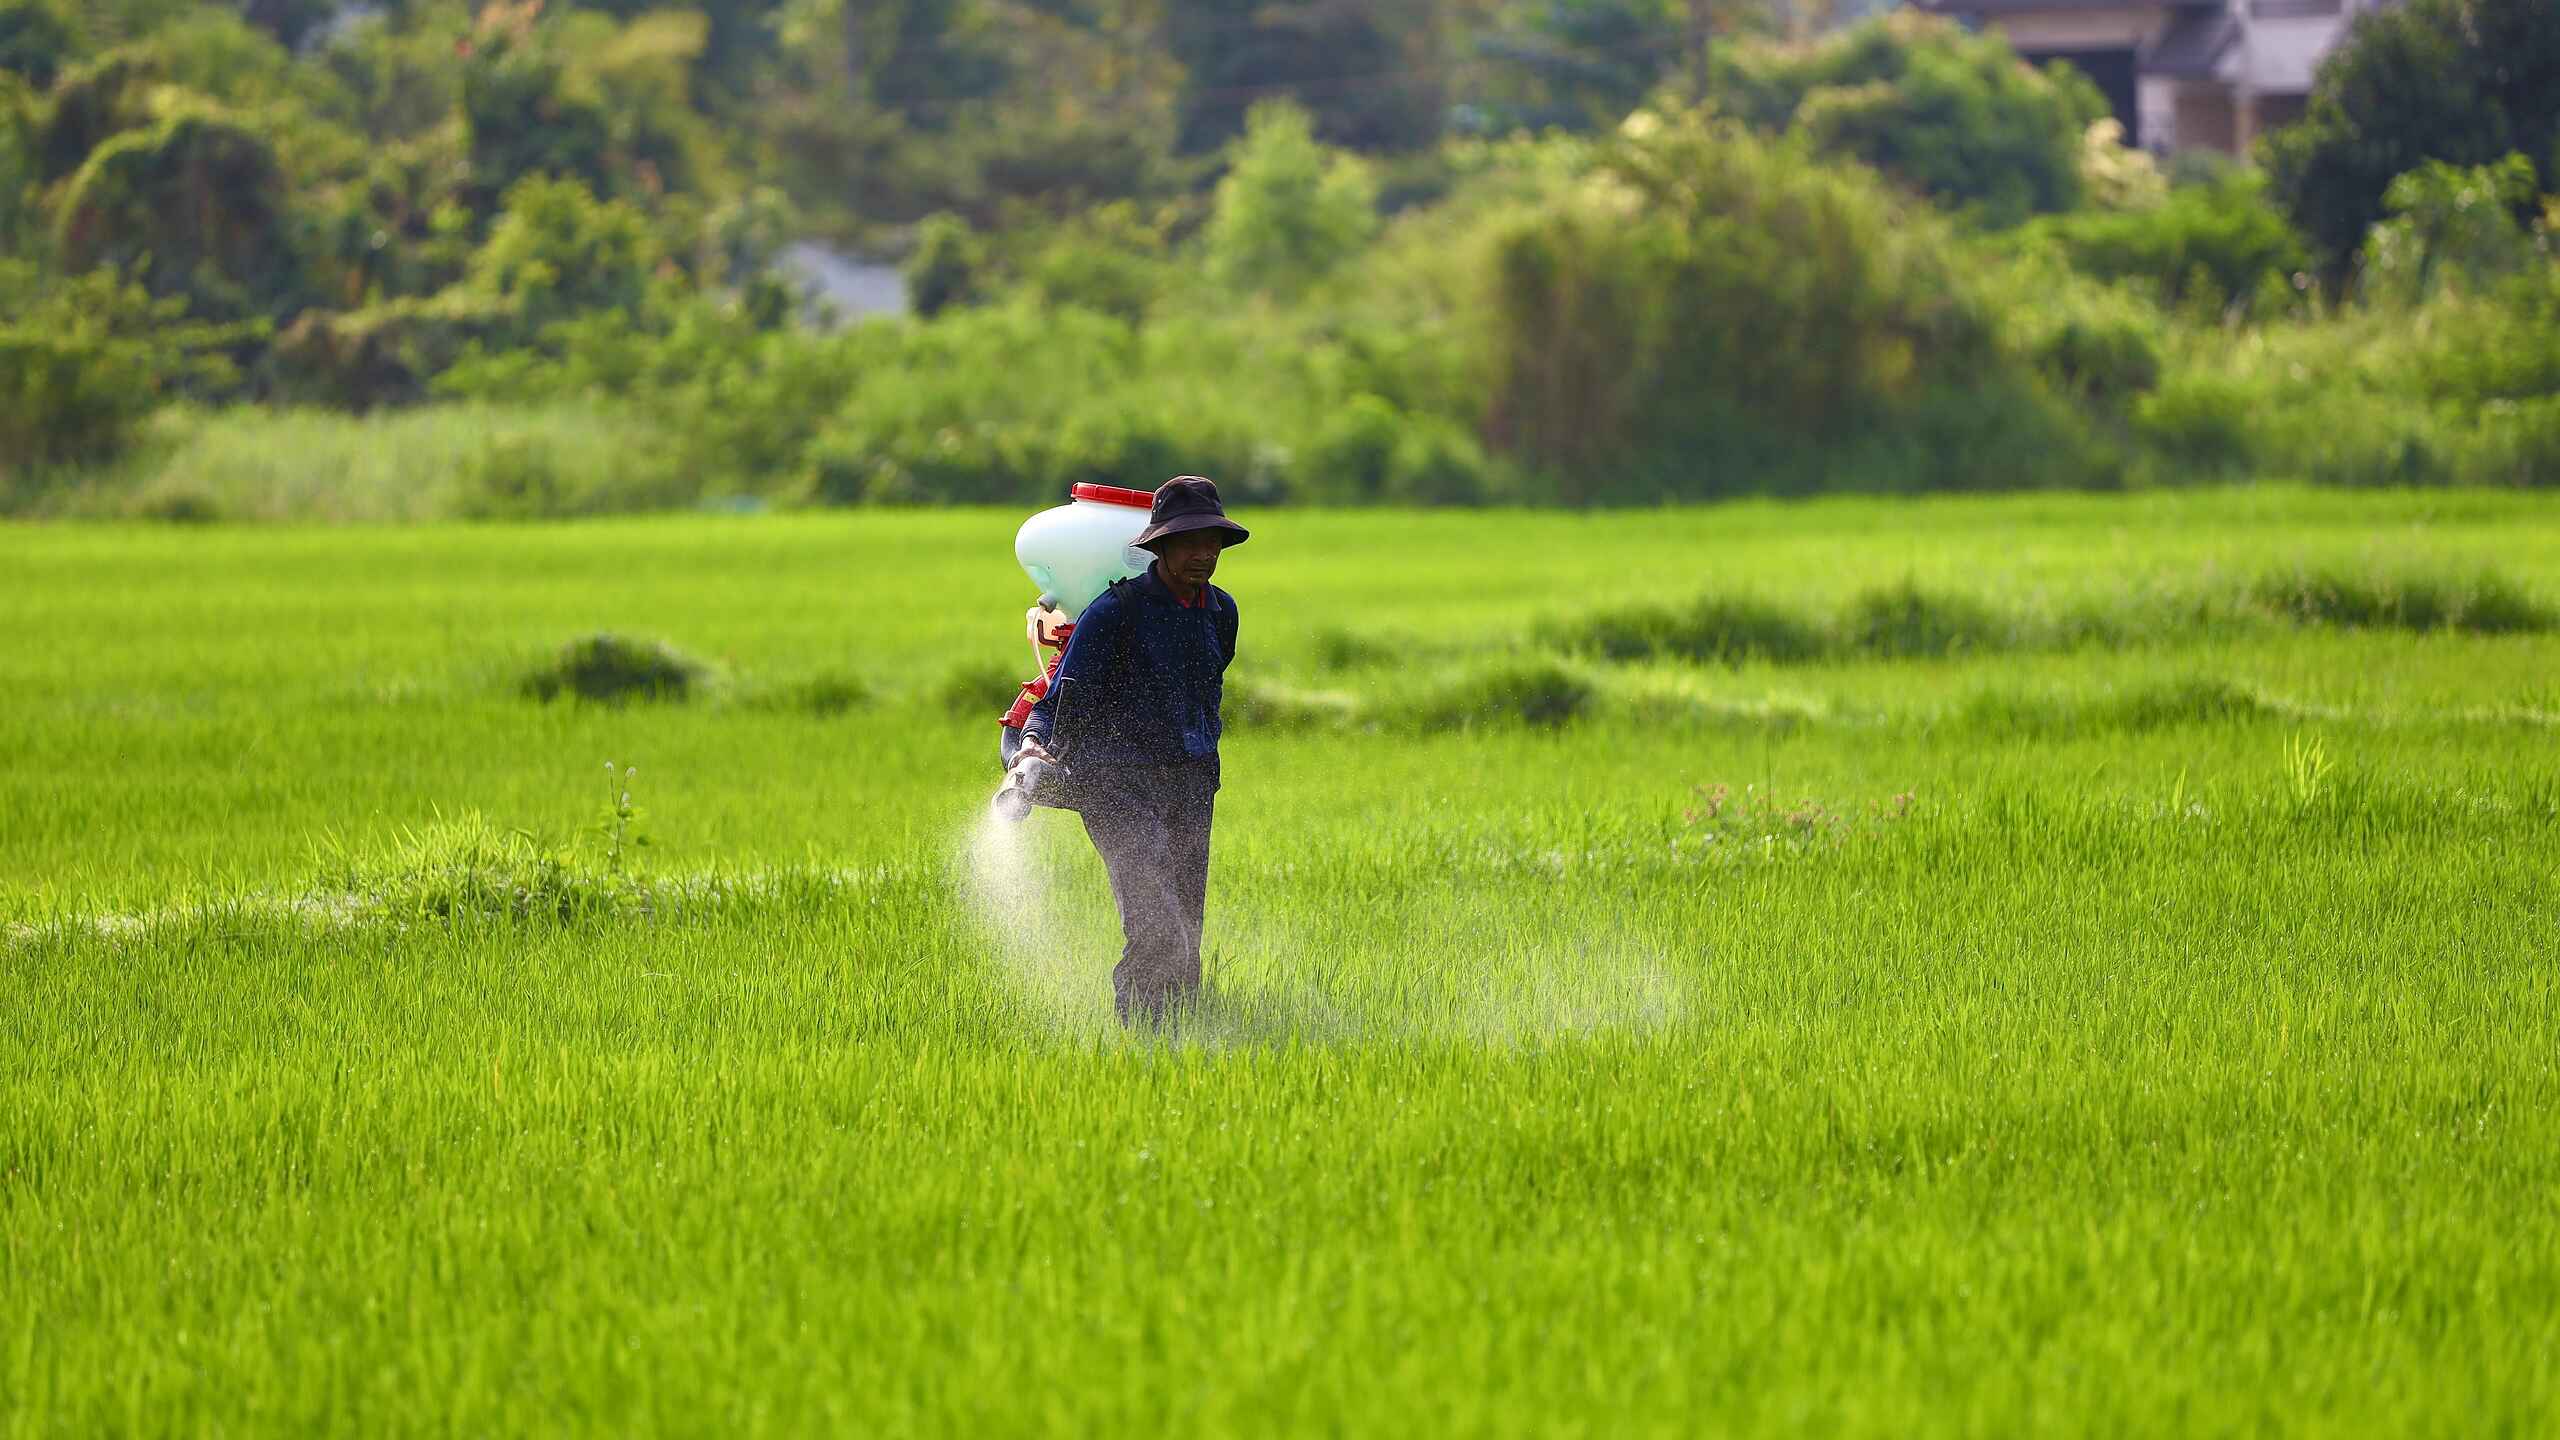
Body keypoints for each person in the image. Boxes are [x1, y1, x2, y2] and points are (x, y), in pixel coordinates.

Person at [1017, 476, 1246, 1024]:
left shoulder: (1221, 612)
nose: (1204, 553)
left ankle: (1183, 1030)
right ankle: (1141, 1032)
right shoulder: (1114, 612)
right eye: (1189, 542)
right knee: (1156, 920)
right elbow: (1057, 699)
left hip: (1191, 781)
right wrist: (1032, 746)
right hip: (1115, 784)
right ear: (1159, 545)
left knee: (1187, 923)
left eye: (1212, 541)